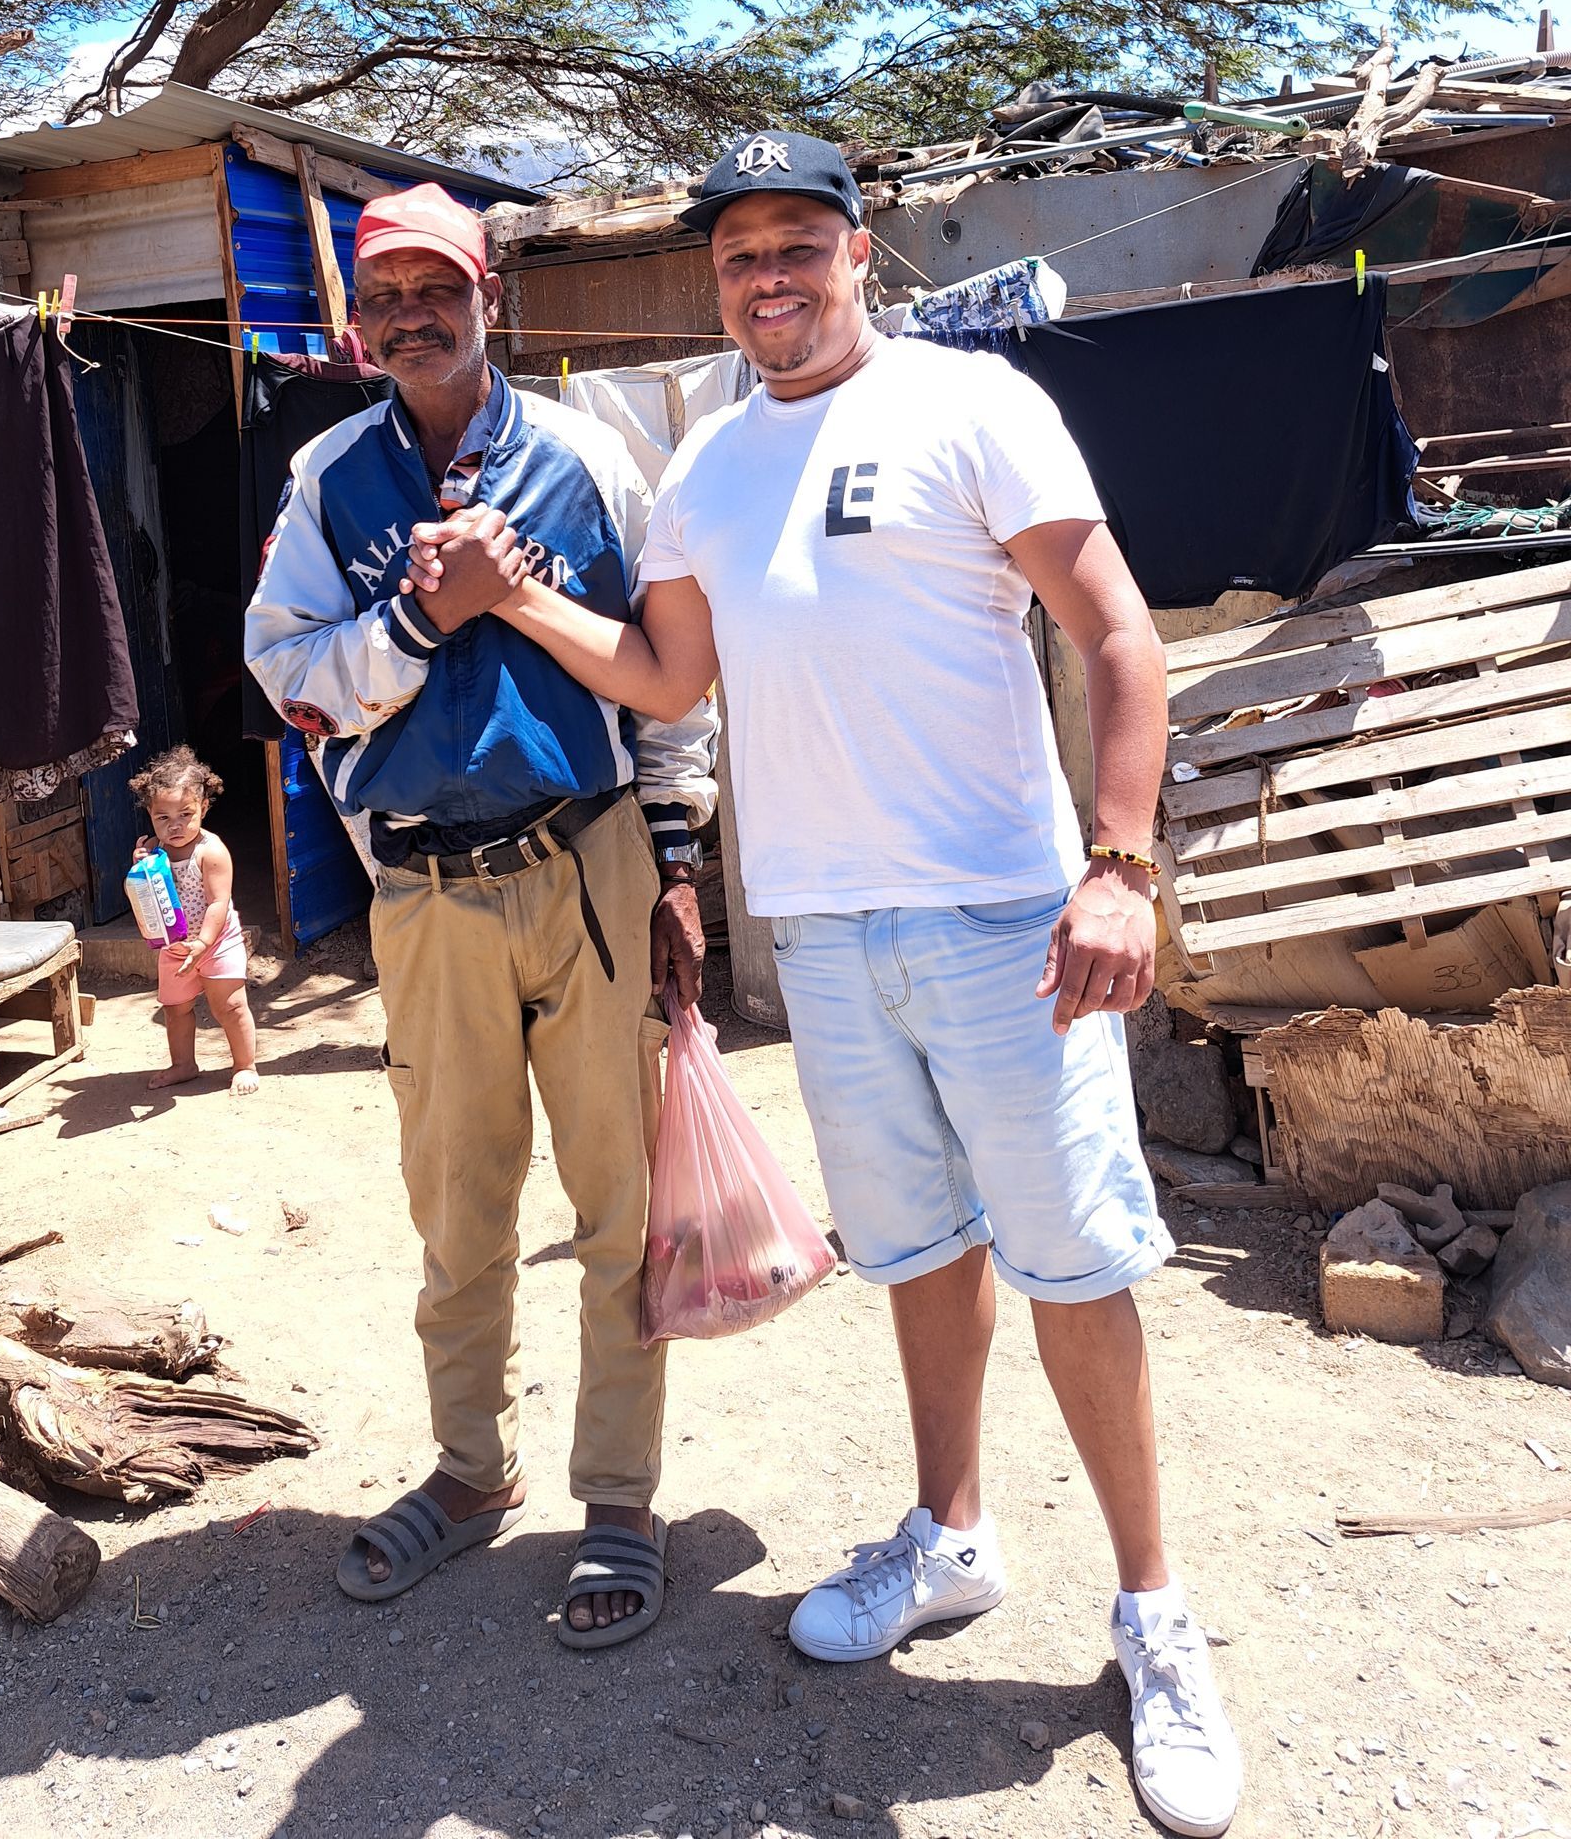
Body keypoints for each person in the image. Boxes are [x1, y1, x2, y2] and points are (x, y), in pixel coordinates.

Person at [406, 133, 1242, 1836]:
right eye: (740, 256)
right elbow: (666, 676)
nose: (768, 277)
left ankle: (1155, 1616)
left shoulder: (970, 407)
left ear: (863, 253)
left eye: (799, 243)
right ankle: (951, 1536)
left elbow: (1118, 637)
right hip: (827, 938)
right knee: (916, 1252)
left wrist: (1119, 865)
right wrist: (516, 600)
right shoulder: (708, 465)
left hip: (1008, 924)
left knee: (1075, 1267)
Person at [244, 183, 716, 1649]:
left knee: (620, 1205)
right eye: (384, 297)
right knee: (457, 1203)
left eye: (435, 290)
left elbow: (670, 668)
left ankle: (620, 1495)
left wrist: (678, 857)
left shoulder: (588, 459)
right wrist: (417, 622)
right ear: (356, 322)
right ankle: (469, 1469)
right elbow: (286, 672)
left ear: (486, 300)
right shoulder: (329, 480)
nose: (410, 318)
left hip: (589, 867)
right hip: (427, 895)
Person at [130, 745, 259, 1096]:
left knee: (230, 1006)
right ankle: (183, 1065)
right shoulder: (154, 850)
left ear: (203, 808)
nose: (174, 826)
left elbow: (218, 903)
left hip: (217, 942)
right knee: (175, 1009)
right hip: (174, 946)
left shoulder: (211, 851)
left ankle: (245, 1065)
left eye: (185, 814)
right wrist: (140, 864)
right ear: (150, 813)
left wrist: (203, 943)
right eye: (163, 817)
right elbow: (144, 890)